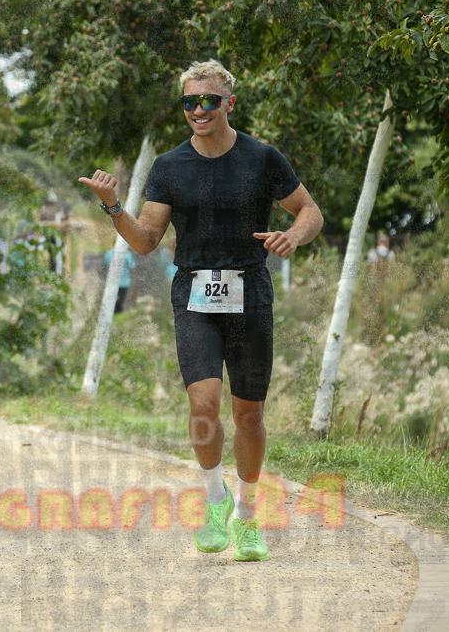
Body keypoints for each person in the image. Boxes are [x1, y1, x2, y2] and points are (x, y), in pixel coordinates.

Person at [80, 60, 323, 562]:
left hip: (250, 292)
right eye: (190, 101)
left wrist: (292, 236)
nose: (199, 110)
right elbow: (146, 241)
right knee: (203, 405)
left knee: (249, 414)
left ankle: (249, 517)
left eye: (209, 100)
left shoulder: (262, 158)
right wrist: (112, 207)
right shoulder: (169, 167)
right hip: (194, 295)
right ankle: (215, 502)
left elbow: (309, 210)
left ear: (229, 103)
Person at [104, 248, 137, 314]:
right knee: (120, 299)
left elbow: (107, 265)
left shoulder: (108, 254)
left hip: (111, 282)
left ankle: (109, 313)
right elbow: (132, 267)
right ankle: (117, 313)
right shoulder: (127, 254)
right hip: (123, 282)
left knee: (111, 299)